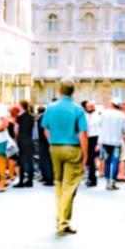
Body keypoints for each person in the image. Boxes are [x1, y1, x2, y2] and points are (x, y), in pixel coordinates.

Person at [42, 78, 88, 235]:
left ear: (58, 90)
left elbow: (45, 130)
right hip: (72, 148)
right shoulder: (78, 110)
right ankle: (64, 221)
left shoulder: (50, 108)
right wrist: (85, 156)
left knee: (59, 183)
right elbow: (83, 134)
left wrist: (53, 142)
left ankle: (59, 215)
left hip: (55, 147)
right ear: (73, 91)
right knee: (70, 185)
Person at [99, 98, 125, 191]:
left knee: (106, 161)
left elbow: (100, 124)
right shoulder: (122, 115)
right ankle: (113, 182)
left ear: (111, 104)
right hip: (116, 141)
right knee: (115, 161)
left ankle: (107, 181)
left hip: (105, 140)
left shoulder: (104, 113)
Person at [14, 101, 36, 187]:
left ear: (21, 106)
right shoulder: (31, 117)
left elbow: (16, 129)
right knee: (30, 160)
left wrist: (16, 138)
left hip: (21, 140)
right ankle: (30, 180)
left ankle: (21, 180)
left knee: (21, 160)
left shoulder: (20, 117)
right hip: (29, 139)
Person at [83, 101, 101, 187]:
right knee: (87, 159)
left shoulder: (98, 116)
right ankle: (89, 177)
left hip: (95, 138)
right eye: (87, 107)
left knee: (91, 159)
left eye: (90, 107)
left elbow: (100, 129)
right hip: (86, 137)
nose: (88, 109)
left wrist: (99, 143)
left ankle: (92, 178)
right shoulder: (84, 115)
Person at [36, 106, 54, 186]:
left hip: (44, 141)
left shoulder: (42, 118)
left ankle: (48, 177)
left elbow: (45, 131)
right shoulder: (48, 117)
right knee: (47, 159)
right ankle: (48, 176)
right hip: (47, 141)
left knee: (46, 159)